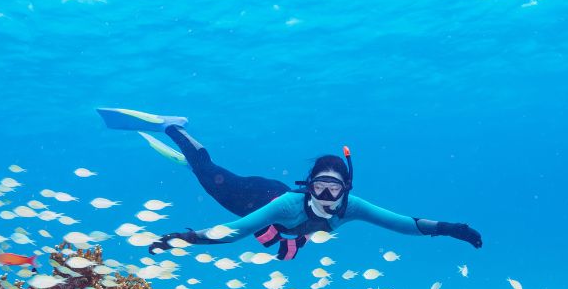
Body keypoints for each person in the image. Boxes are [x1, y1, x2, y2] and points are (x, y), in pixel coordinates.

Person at [97, 108, 483, 260]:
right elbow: (233, 232)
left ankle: (189, 161)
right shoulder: (289, 205)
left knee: (286, 253)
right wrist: (183, 237)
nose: (328, 197)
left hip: (285, 231)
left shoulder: (352, 207)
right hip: (254, 199)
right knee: (209, 176)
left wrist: (450, 229)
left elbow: (403, 224)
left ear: (346, 191)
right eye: (320, 187)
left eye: (335, 189)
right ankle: (172, 128)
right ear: (309, 186)